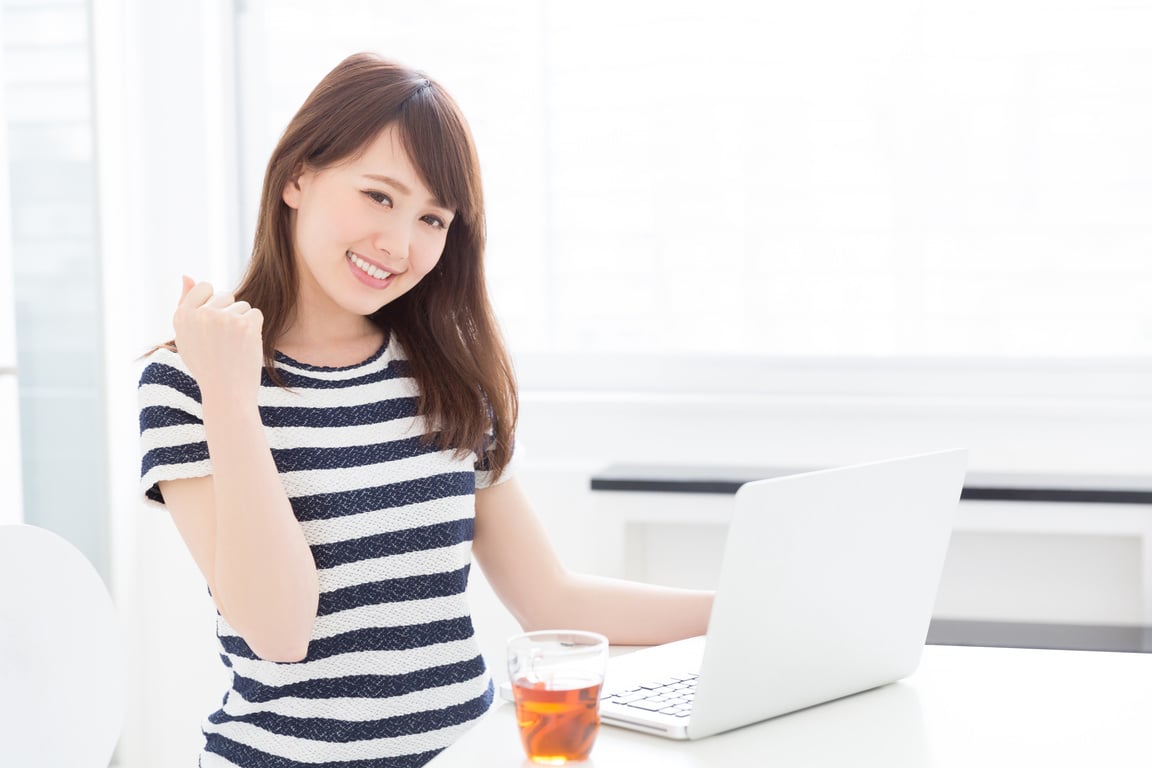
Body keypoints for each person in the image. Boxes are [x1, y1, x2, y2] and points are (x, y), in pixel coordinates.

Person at [137, 52, 713, 768]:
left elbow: (551, 600)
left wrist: (748, 610)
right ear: (296, 177)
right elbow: (279, 629)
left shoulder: (448, 375)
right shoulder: (188, 378)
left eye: (432, 218)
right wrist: (229, 394)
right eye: (379, 196)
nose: (400, 245)